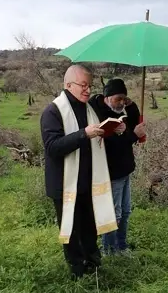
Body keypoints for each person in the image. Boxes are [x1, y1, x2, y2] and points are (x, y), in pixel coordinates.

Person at [40, 64, 118, 278]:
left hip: (88, 182)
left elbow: (95, 137)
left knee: (89, 228)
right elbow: (53, 148)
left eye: (90, 86)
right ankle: (77, 271)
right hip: (64, 184)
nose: (87, 90)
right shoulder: (53, 111)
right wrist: (84, 134)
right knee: (72, 231)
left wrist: (111, 130)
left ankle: (94, 264)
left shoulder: (89, 109)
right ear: (68, 84)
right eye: (83, 85)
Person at [88, 78, 145, 256]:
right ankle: (109, 250)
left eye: (124, 99)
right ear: (107, 97)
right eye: (117, 99)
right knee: (113, 213)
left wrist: (132, 104)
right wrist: (132, 136)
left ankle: (121, 246)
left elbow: (134, 123)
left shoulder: (121, 110)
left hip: (125, 169)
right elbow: (112, 144)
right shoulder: (96, 113)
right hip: (110, 171)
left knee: (126, 211)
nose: (121, 103)